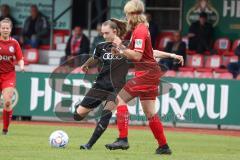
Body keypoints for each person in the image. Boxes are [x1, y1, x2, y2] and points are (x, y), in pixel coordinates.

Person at [104, 0, 183, 155]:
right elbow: (149, 52)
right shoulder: (141, 29)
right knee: (150, 113)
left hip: (146, 73)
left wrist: (121, 46)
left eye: (127, 14)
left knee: (118, 99)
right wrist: (171, 55)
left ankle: (123, 138)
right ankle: (164, 146)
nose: (126, 17)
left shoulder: (140, 31)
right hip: (150, 72)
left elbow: (138, 56)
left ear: (134, 14)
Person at [73, 19, 129, 150]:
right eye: (102, 33)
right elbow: (95, 58)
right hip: (100, 85)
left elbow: (138, 55)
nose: (103, 36)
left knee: (105, 114)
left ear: (114, 31)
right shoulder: (101, 46)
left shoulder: (126, 46)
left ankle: (89, 145)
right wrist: (86, 64)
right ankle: (82, 106)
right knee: (77, 116)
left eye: (106, 33)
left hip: (116, 88)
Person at [0, 18, 24, 135]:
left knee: (8, 102)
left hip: (8, 75)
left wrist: (22, 66)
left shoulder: (14, 43)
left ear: (10, 29)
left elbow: (20, 58)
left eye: (7, 28)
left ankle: (5, 129)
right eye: (3, 28)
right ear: (0, 29)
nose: (5, 30)